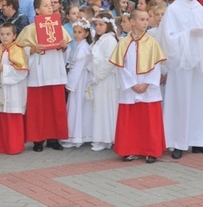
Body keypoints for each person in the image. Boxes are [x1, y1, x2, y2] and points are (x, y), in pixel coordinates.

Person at [159, 0, 203, 160]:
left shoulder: (199, 8)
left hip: (197, 63)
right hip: (181, 65)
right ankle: (178, 142)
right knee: (181, 102)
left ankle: (200, 141)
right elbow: (168, 38)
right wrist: (188, 36)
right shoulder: (174, 10)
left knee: (200, 102)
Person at [110, 9, 166, 163]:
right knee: (131, 120)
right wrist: (132, 84)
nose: (145, 22)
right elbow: (120, 66)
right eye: (141, 19)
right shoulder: (123, 43)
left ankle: (151, 150)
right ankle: (130, 149)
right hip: (131, 88)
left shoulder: (152, 42)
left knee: (149, 119)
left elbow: (156, 66)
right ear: (132, 22)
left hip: (149, 87)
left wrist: (146, 83)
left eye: (147, 19)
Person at [15, 0, 70, 152]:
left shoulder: (59, 27)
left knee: (56, 107)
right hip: (38, 72)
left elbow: (66, 49)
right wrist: (32, 49)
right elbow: (19, 50)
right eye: (45, 5)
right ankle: (37, 139)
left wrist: (65, 46)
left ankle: (54, 138)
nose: (50, 7)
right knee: (38, 108)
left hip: (55, 69)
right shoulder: (29, 29)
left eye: (51, 5)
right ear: (37, 10)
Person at [0, 23, 29, 155]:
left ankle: (13, 146)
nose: (5, 37)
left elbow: (22, 72)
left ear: (14, 36)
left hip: (13, 89)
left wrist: (5, 69)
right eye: (2, 34)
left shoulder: (18, 51)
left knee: (11, 116)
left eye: (8, 34)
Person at [89, 13, 120, 151]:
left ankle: (108, 138)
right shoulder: (100, 40)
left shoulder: (110, 40)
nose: (98, 27)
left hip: (106, 79)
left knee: (106, 107)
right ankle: (102, 137)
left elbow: (110, 61)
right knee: (99, 108)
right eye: (96, 24)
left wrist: (97, 77)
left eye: (101, 24)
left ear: (108, 25)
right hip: (99, 78)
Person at [61, 19, 94, 148]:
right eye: (74, 32)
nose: (76, 35)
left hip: (79, 81)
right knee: (76, 107)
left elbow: (78, 68)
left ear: (86, 33)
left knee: (76, 107)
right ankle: (76, 135)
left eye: (80, 32)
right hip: (77, 80)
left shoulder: (83, 48)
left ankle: (75, 137)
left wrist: (70, 85)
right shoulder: (78, 46)